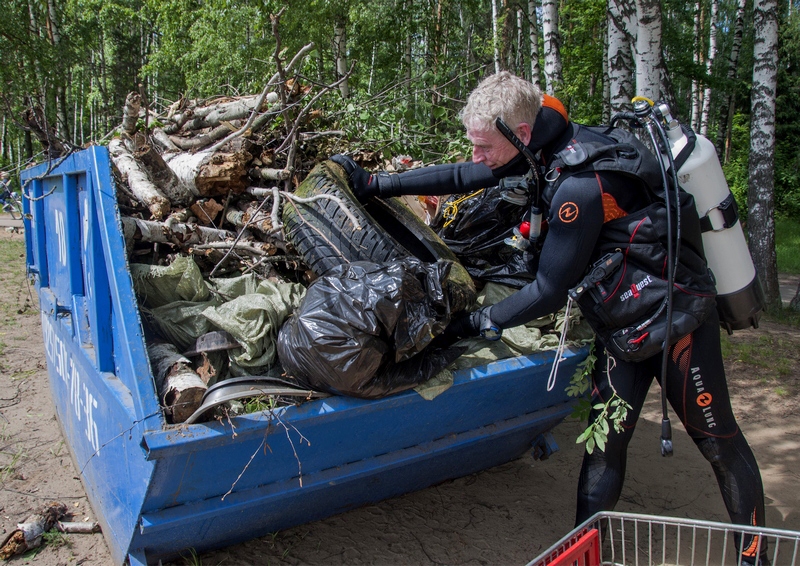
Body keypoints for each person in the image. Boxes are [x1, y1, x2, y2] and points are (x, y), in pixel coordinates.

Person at [331, 71, 769, 565]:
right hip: (620, 328)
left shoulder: (578, 188)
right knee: (605, 449)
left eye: (483, 146)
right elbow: (464, 175)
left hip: (676, 322)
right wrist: (376, 184)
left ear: (519, 133)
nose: (477, 155)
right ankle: (584, 556)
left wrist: (473, 324)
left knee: (719, 443)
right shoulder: (538, 144)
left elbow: (547, 290)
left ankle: (755, 559)